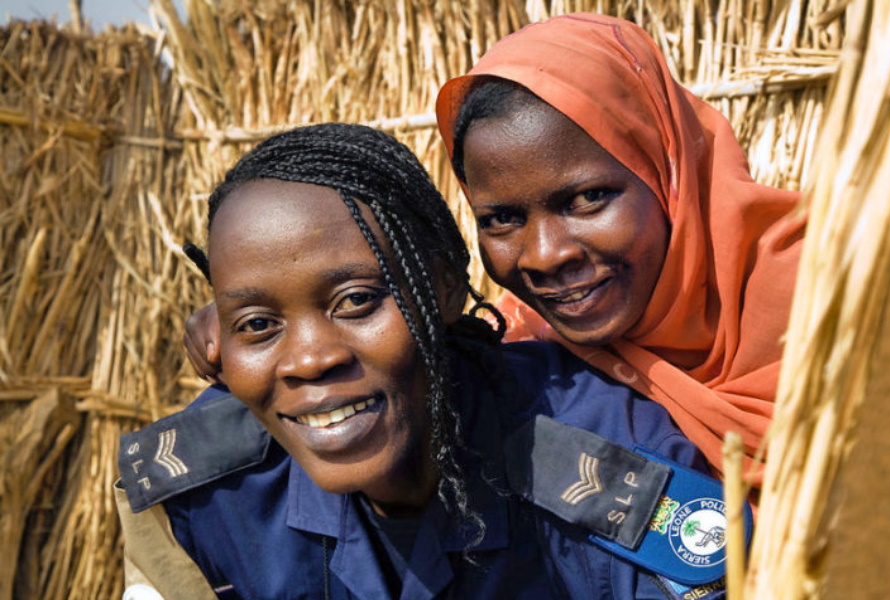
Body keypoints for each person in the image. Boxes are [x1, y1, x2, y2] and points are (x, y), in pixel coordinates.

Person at [116, 124, 743, 600]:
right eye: (258, 324)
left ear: (443, 289)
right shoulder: (205, 494)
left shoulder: (607, 468)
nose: (308, 360)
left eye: (356, 301)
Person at [433, 13, 805, 483]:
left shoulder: (840, 305)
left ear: (669, 177)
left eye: (588, 199)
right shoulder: (515, 364)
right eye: (502, 219)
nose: (545, 255)